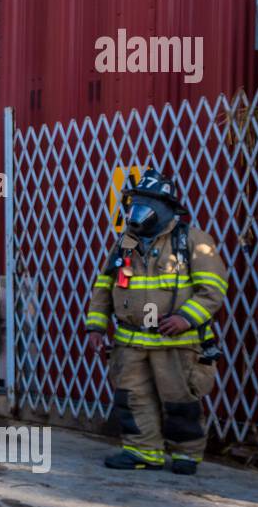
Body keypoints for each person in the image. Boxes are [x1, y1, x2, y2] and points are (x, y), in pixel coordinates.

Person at [84, 170, 229, 475]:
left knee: (179, 400)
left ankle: (186, 455)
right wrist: (96, 327)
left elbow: (213, 290)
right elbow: (103, 287)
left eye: (147, 202)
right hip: (131, 342)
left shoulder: (193, 241)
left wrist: (185, 318)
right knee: (133, 398)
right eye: (136, 201)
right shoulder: (125, 243)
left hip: (177, 341)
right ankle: (143, 452)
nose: (138, 208)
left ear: (166, 207)